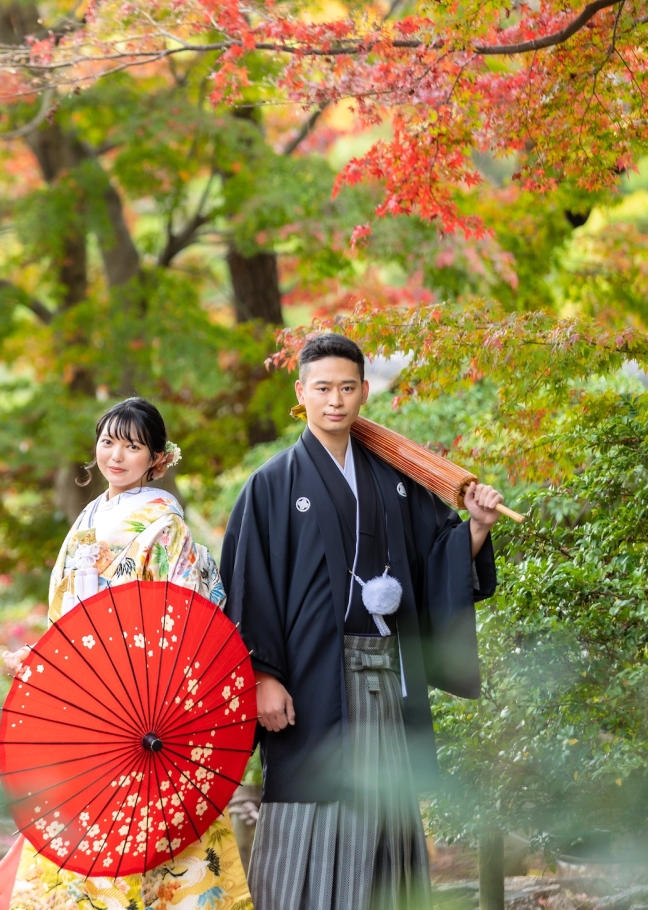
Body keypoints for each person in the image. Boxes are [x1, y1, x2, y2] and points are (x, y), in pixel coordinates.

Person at [220, 334, 502, 910]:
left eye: (347, 387)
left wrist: (474, 528)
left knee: (386, 810)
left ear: (364, 392)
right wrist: (263, 676)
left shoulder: (392, 478)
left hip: (386, 672)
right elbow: (249, 585)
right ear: (300, 392)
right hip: (310, 680)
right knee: (311, 805)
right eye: (323, 388)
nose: (335, 400)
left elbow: (435, 558)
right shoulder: (272, 484)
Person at [0, 397, 253, 910]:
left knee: (150, 835)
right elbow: (70, 613)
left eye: (132, 447)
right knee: (80, 824)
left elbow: (183, 617)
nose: (116, 455)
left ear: (157, 458)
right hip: (83, 699)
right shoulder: (88, 519)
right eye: (108, 442)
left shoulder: (165, 526)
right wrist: (44, 657)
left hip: (141, 701)